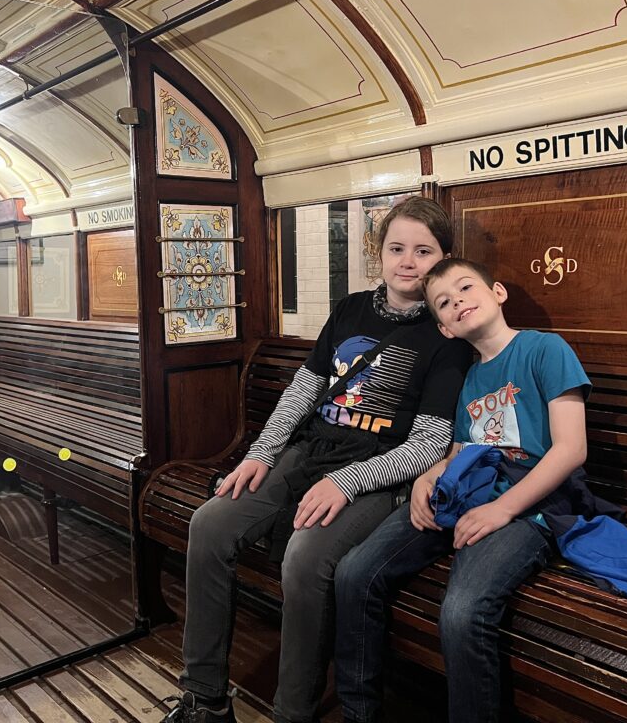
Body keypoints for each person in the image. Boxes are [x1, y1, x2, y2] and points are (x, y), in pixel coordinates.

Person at [160, 198, 473, 723]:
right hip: (311, 451)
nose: (407, 261)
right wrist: (261, 453)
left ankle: (292, 714)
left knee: (305, 559)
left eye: (423, 251)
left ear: (442, 258)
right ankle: (204, 700)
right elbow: (305, 389)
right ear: (379, 253)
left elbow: (427, 444)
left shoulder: (446, 336)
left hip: (378, 472)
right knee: (210, 524)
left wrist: (348, 482)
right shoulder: (350, 308)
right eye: (396, 248)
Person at [333, 258, 592, 723]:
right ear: (445, 328)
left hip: (531, 505)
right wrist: (425, 479)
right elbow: (457, 451)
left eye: (466, 288)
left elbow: (571, 450)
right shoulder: (471, 376)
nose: (458, 303)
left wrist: (502, 510)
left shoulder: (544, 350)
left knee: (461, 611)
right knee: (354, 573)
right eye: (445, 303)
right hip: (469, 491)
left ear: (498, 293)